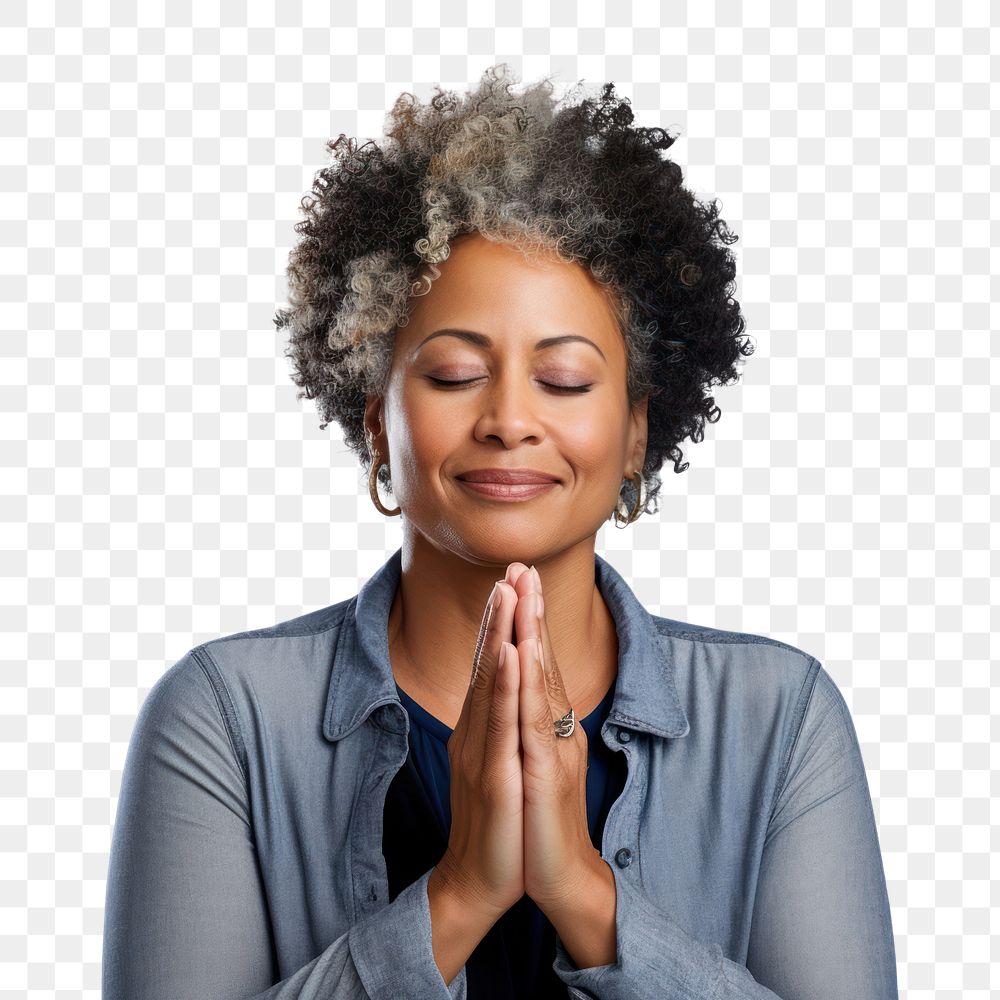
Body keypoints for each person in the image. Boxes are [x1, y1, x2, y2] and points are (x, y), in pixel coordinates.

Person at [101, 65, 899, 999]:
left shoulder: (781, 719)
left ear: (638, 427)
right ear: (375, 422)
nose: (510, 418)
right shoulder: (224, 719)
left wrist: (589, 899)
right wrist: (459, 897)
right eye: (450, 374)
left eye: (563, 379)